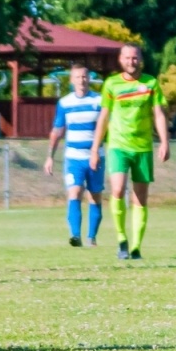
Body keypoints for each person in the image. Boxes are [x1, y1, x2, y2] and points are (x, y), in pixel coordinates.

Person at [88, 44, 168, 260]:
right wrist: (95, 149)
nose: (131, 61)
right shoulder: (111, 84)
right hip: (118, 146)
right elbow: (103, 117)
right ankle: (122, 239)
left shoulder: (150, 83)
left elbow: (158, 114)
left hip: (142, 147)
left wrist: (164, 141)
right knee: (117, 189)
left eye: (135, 58)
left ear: (140, 59)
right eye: (127, 58)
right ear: (120, 60)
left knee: (140, 199)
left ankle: (136, 247)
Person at [44, 64, 105, 247]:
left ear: (89, 79)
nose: (82, 80)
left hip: (95, 157)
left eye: (85, 77)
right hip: (74, 158)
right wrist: (50, 156)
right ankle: (75, 236)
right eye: (78, 77)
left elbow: (105, 127)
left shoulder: (99, 101)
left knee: (95, 196)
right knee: (75, 192)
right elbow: (57, 130)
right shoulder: (64, 103)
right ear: (71, 80)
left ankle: (91, 237)